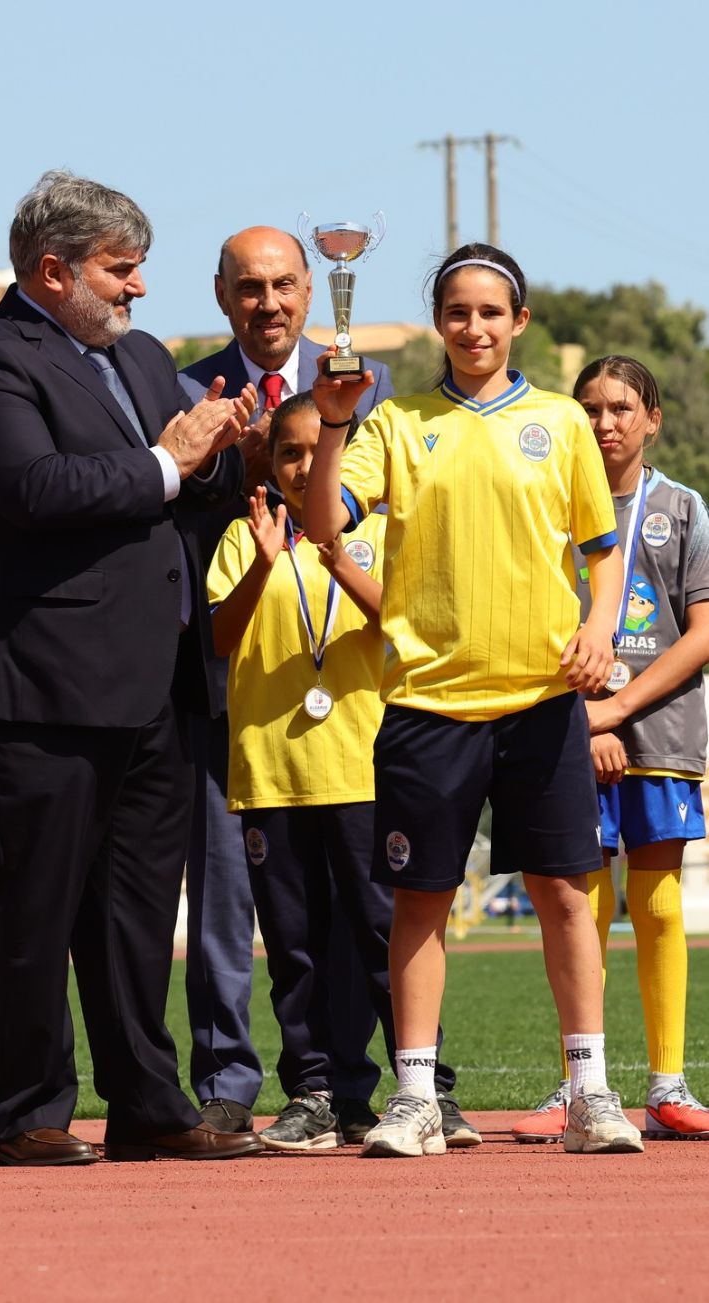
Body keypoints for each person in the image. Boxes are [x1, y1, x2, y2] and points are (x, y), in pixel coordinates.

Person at [0, 170, 263, 1166]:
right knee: (32, 901)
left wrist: (241, 445)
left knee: (133, 911)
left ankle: (146, 1104)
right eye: (121, 271)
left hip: (155, 680)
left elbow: (196, 488)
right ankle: (27, 1108)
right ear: (51, 270)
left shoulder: (147, 358)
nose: (137, 290)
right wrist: (168, 461)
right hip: (42, 681)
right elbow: (37, 489)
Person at [303, 243, 645, 1158]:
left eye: (491, 311)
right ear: (438, 323)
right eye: (457, 311)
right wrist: (334, 426)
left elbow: (600, 549)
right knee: (419, 897)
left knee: (567, 895)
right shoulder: (397, 422)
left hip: (539, 699)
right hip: (427, 700)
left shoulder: (561, 424)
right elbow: (323, 523)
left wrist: (600, 629)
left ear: (518, 321)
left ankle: (588, 1089)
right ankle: (414, 1094)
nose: (474, 327)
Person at [177, 226, 399, 1140]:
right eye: (248, 287)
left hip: (343, 677)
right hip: (224, 660)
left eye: (283, 284)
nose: (267, 302)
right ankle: (229, 1078)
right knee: (229, 901)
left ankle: (371, 1079)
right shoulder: (184, 389)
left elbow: (393, 509)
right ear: (222, 294)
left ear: (310, 291)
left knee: (361, 910)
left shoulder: (365, 387)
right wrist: (232, 456)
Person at [207, 393, 471, 1150]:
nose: (300, 467)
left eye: (315, 453)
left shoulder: (387, 532)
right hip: (272, 771)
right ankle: (316, 1091)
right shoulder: (242, 536)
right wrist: (264, 566)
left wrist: (336, 560)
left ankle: (424, 1089)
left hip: (364, 769)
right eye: (287, 453)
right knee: (293, 949)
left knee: (388, 936)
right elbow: (221, 637)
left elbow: (413, 625)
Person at [513, 355, 709, 1143]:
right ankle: (579, 1082)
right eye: (588, 407)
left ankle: (667, 1083)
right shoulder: (547, 506)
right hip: (567, 720)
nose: (603, 423)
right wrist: (582, 715)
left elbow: (702, 632)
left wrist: (618, 710)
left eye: (620, 407)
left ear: (651, 418)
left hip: (658, 726)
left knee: (656, 893)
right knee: (576, 896)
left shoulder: (683, 508)